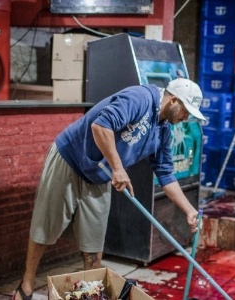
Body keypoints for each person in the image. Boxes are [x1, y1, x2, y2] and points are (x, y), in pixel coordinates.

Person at [12, 78, 204, 300]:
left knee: (94, 240)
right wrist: (118, 168)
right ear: (174, 101)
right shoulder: (140, 99)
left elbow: (166, 174)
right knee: (46, 226)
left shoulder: (163, 131)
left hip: (100, 173)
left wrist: (189, 210)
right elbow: (101, 125)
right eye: (186, 111)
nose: (186, 118)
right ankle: (26, 284)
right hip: (70, 158)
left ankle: (89, 293)